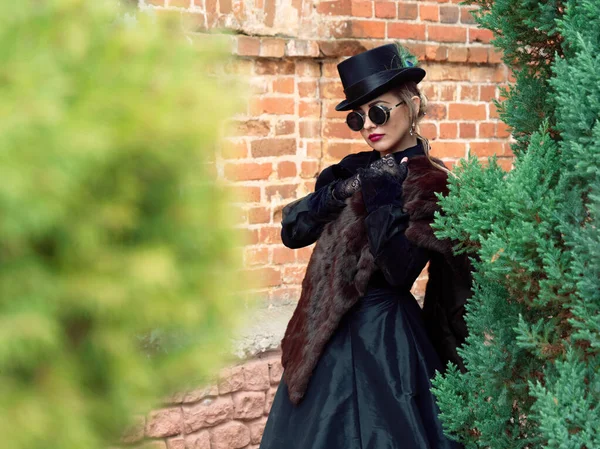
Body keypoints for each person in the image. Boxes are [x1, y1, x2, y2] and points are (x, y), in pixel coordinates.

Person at [259, 43, 472, 449]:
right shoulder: (352, 169)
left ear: (411, 103)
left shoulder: (434, 182)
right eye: (358, 118)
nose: (368, 126)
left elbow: (399, 271)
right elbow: (292, 232)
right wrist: (341, 190)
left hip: (385, 341)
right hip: (321, 336)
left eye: (378, 111)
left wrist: (384, 195)